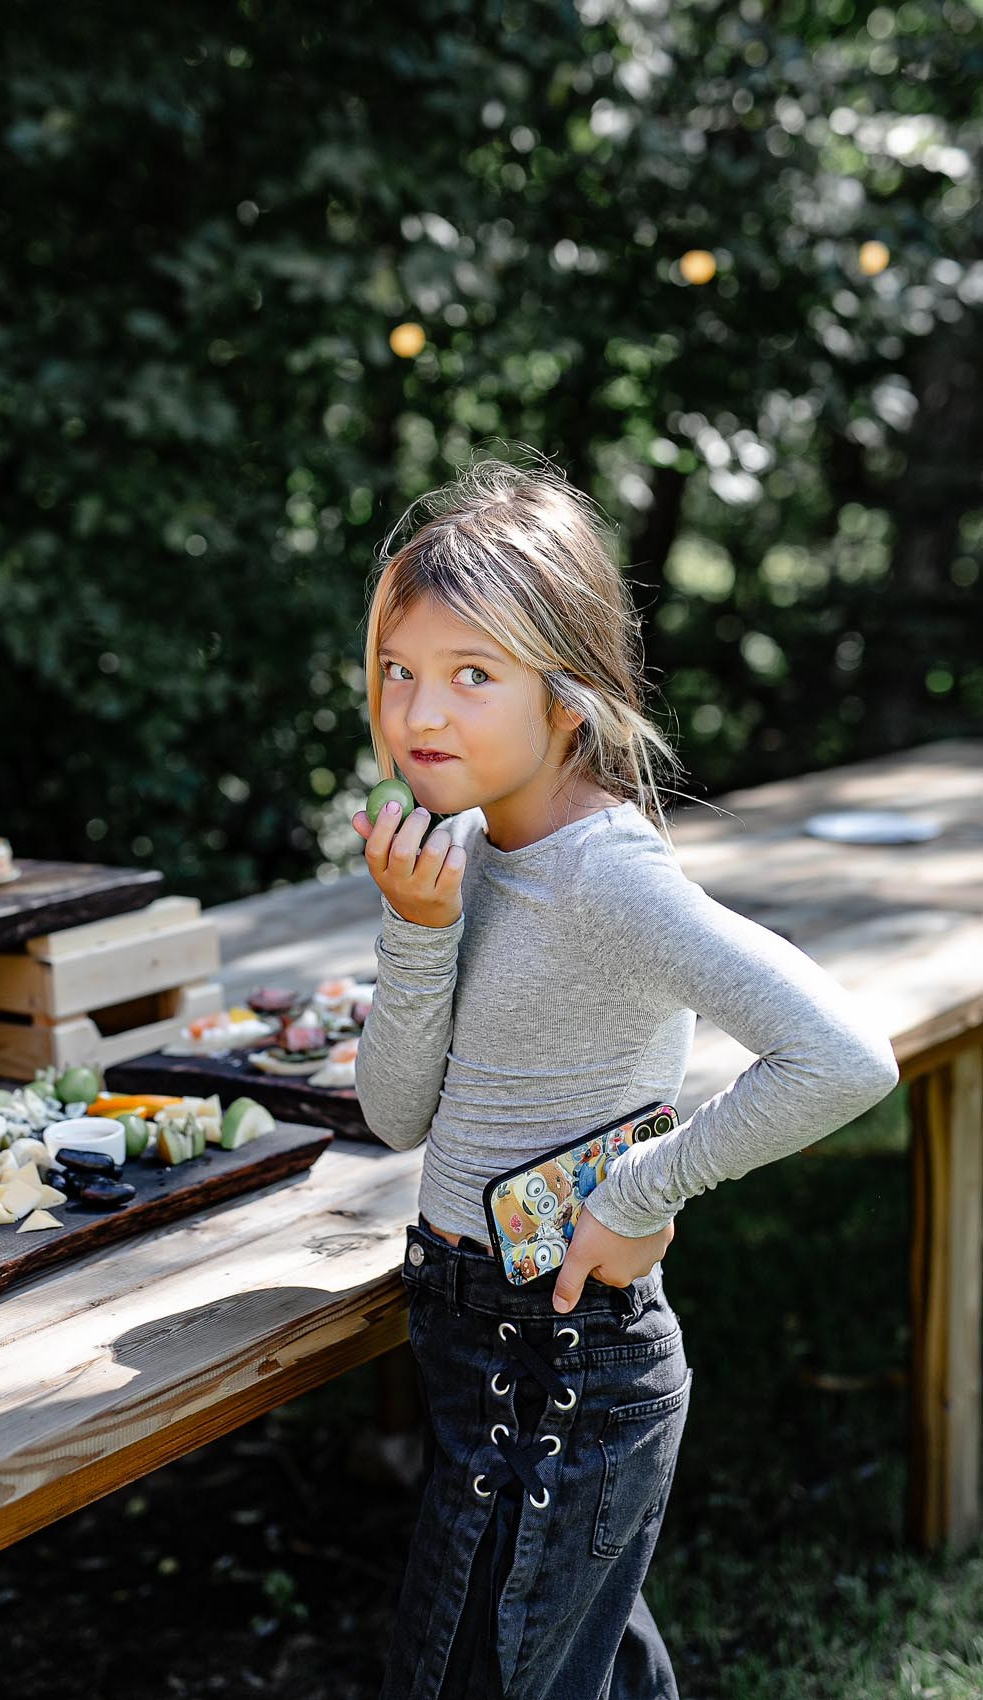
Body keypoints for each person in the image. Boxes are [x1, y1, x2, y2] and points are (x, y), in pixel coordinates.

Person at [350, 449, 900, 1700]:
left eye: (469, 675)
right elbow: (391, 1114)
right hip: (477, 1333)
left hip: (558, 1363)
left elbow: (841, 1055)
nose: (418, 715)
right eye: (398, 672)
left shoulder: (606, 872)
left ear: (569, 698)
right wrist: (416, 931)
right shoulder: (466, 849)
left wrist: (645, 1188)